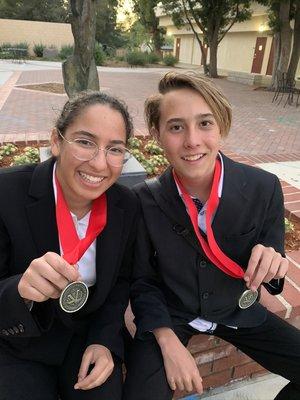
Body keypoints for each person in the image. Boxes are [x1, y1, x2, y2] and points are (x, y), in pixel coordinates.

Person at [123, 71, 300, 400]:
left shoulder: (263, 188)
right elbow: (142, 281)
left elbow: (273, 263)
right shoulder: (143, 200)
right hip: (173, 315)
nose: (192, 140)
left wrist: (274, 262)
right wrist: (165, 339)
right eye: (176, 127)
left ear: (222, 127)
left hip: (238, 309)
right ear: (158, 135)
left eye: (205, 123)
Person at [0, 91, 139, 400]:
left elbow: (120, 283)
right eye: (85, 142)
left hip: (85, 337)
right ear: (56, 141)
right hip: (18, 343)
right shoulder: (6, 193)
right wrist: (19, 289)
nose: (100, 163)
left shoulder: (126, 205)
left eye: (114, 149)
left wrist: (105, 341)